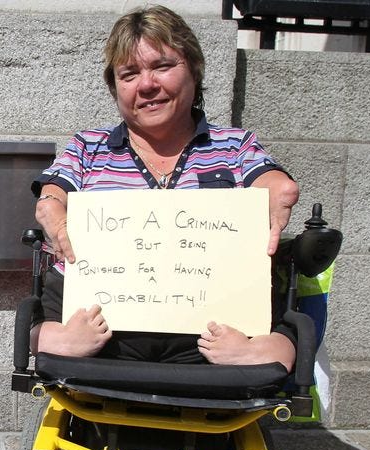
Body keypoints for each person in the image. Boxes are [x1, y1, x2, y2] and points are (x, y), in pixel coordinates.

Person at [31, 5, 300, 372]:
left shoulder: (234, 146)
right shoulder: (88, 148)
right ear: (115, 87)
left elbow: (269, 181)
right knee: (36, 328)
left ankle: (263, 350)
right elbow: (53, 191)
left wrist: (277, 189)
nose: (147, 84)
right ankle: (55, 339)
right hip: (102, 331)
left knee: (286, 336)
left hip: (211, 334)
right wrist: (51, 204)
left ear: (193, 70)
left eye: (162, 66)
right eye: (129, 73)